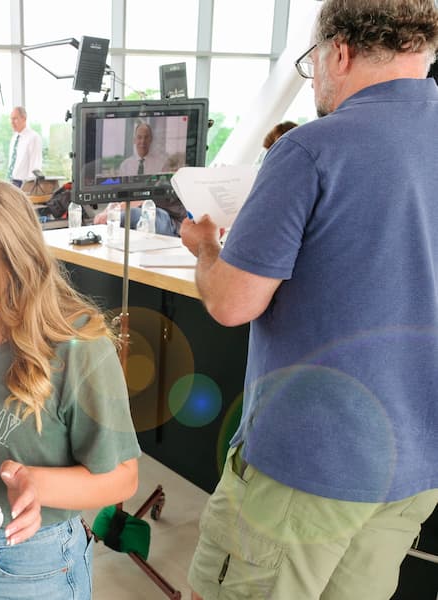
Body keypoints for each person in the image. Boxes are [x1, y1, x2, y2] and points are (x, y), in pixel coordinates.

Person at [180, 1, 438, 598]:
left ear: (339, 51)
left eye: (311, 62)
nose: (314, 78)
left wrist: (206, 250)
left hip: (310, 465)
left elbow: (231, 304)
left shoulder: (311, 150)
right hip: (415, 465)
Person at [0, 178, 141, 598]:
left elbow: (122, 477)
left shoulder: (75, 347)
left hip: (29, 562)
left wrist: (40, 484)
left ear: (20, 278)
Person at [7, 106, 43, 188]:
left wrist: (28, 188)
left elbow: (35, 165)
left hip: (23, 184)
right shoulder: (14, 138)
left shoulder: (33, 137)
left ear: (24, 119)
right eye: (11, 119)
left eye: (15, 119)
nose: (12, 122)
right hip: (11, 181)